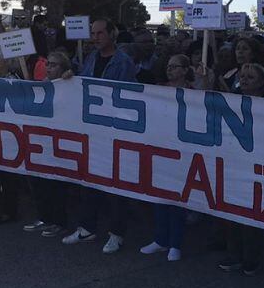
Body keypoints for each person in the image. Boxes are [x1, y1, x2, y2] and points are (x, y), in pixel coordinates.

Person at [63, 18, 139, 253]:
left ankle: (117, 233)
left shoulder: (123, 62)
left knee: (115, 183)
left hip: (114, 129)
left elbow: (129, 93)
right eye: (93, 33)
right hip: (92, 128)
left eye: (100, 33)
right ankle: (87, 226)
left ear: (111, 34)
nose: (95, 37)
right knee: (90, 179)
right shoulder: (91, 58)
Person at [140, 53, 195, 261]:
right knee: (159, 196)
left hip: (183, 149)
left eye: (175, 66)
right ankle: (160, 240)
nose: (170, 69)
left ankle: (176, 243)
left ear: (184, 69)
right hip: (161, 145)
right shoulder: (159, 90)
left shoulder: (193, 92)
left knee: (178, 199)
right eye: (168, 66)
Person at [218, 62, 264, 276]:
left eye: (251, 77)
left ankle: (252, 257)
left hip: (259, 166)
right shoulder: (231, 100)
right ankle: (234, 254)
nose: (246, 80)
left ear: (262, 83)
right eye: (243, 76)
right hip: (234, 163)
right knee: (232, 210)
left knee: (252, 215)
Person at [22, 51, 73, 238]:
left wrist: (70, 79)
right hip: (40, 140)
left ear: (64, 69)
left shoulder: (70, 85)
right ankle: (44, 218)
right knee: (38, 181)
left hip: (60, 142)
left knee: (56, 184)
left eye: (54, 65)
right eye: (48, 64)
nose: (49, 67)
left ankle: (59, 222)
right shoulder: (41, 85)